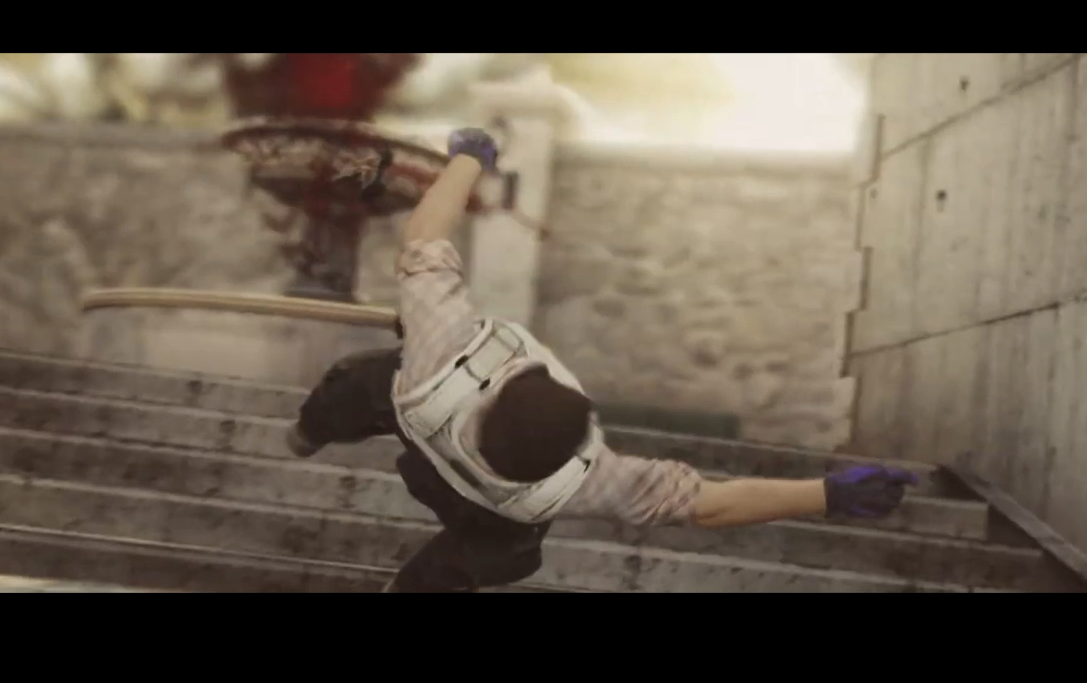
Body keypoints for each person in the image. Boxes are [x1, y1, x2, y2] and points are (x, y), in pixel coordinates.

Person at [288, 128, 918, 593]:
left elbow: (425, 236)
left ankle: (310, 431)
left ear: (508, 380)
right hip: (489, 511)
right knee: (504, 551)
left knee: (361, 382)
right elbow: (712, 505)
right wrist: (828, 494)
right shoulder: (590, 480)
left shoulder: (442, 352)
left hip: (418, 420)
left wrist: (468, 159)